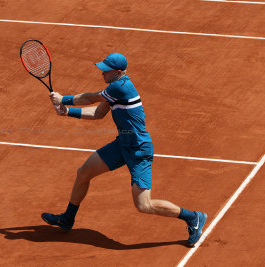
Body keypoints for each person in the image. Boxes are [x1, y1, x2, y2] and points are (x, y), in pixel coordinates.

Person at [41, 53, 207, 247]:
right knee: (83, 172)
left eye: (106, 70)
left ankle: (193, 217)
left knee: (144, 205)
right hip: (122, 145)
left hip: (138, 150)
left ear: (118, 72)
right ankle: (67, 219)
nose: (102, 73)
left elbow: (91, 98)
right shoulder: (115, 89)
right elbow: (98, 113)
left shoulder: (119, 87)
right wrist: (68, 112)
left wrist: (64, 99)